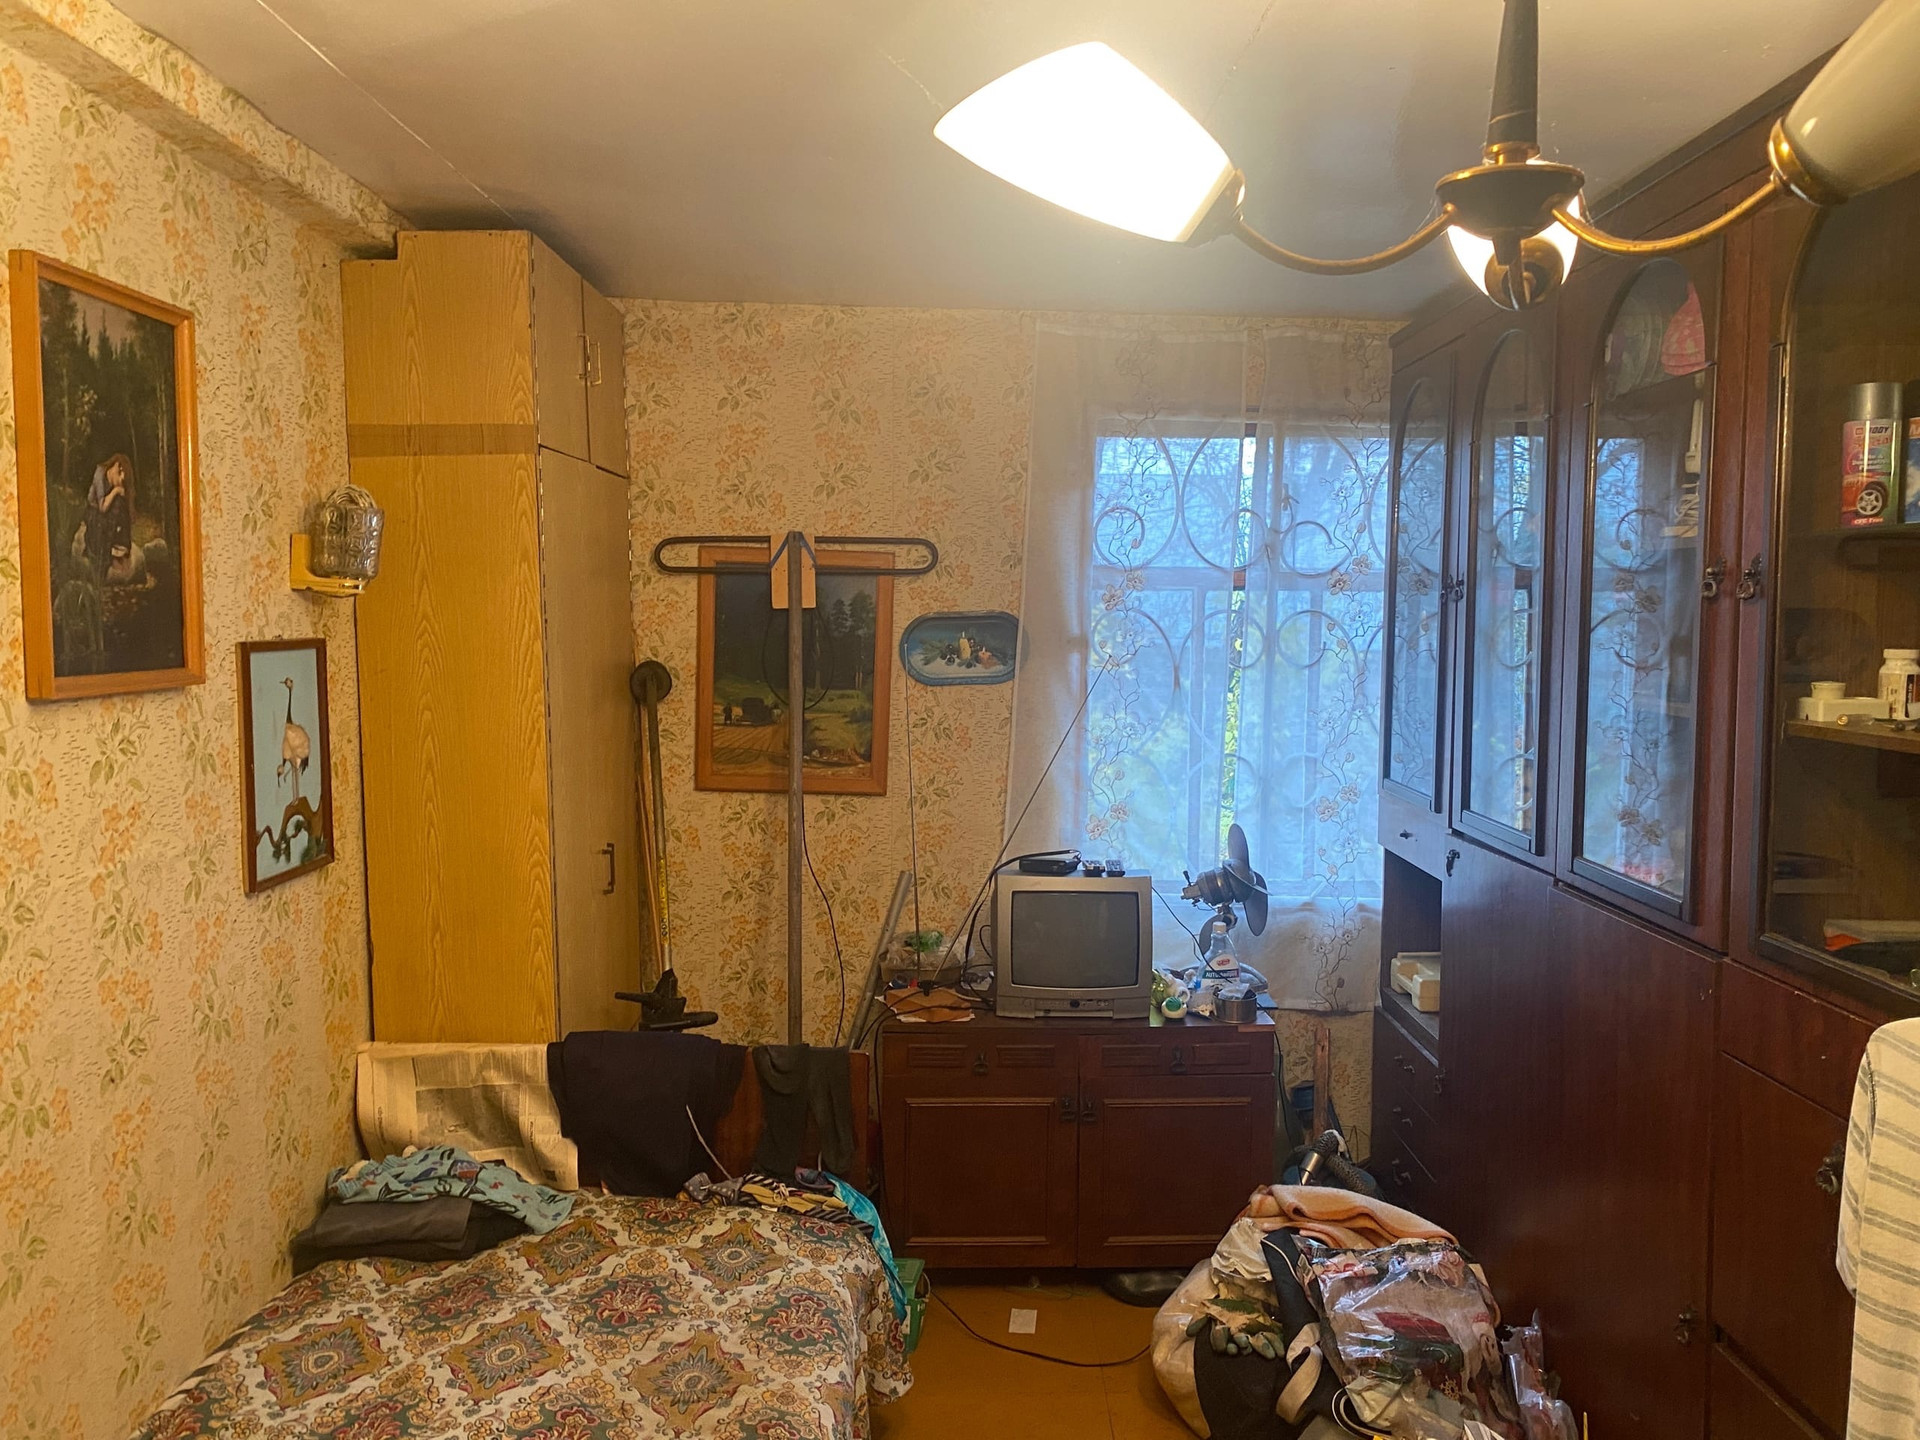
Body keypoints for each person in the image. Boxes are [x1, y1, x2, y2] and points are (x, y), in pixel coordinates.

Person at [85, 453, 133, 582]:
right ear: (117, 467)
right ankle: (108, 553)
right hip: (94, 515)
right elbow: (102, 507)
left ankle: (121, 545)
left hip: (108, 517)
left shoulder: (115, 482)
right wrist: (116, 491)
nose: (120, 482)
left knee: (120, 506)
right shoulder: (100, 473)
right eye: (120, 476)